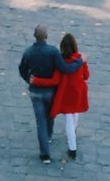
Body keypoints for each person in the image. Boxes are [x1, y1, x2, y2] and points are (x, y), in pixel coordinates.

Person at [18, 24, 83, 163]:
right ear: (46, 36)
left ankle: (45, 154)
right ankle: (48, 135)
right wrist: (80, 62)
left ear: (34, 36)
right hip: (50, 91)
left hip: (35, 92)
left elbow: (22, 69)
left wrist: (29, 80)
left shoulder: (28, 52)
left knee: (40, 121)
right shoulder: (53, 52)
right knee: (50, 115)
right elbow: (65, 68)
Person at [30, 33, 89, 161]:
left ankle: (72, 147)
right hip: (78, 92)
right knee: (75, 113)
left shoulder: (60, 62)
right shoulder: (80, 59)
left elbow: (54, 81)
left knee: (68, 118)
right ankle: (73, 138)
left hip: (66, 94)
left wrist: (36, 80)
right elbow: (86, 75)